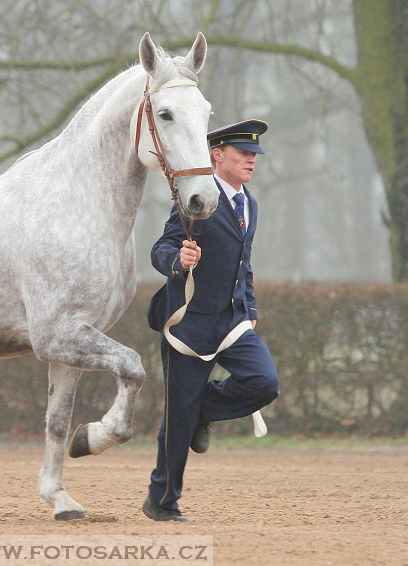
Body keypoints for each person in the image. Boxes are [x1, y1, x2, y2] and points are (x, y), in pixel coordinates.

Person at [142, 119, 279, 522]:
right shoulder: (197, 199)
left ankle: (202, 409)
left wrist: (250, 310)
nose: (252, 161)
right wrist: (176, 260)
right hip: (190, 324)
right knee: (178, 423)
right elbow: (161, 246)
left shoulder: (249, 203)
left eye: (254, 155)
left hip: (234, 321)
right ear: (217, 155)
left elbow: (244, 264)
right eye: (243, 154)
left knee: (264, 382)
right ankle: (162, 501)